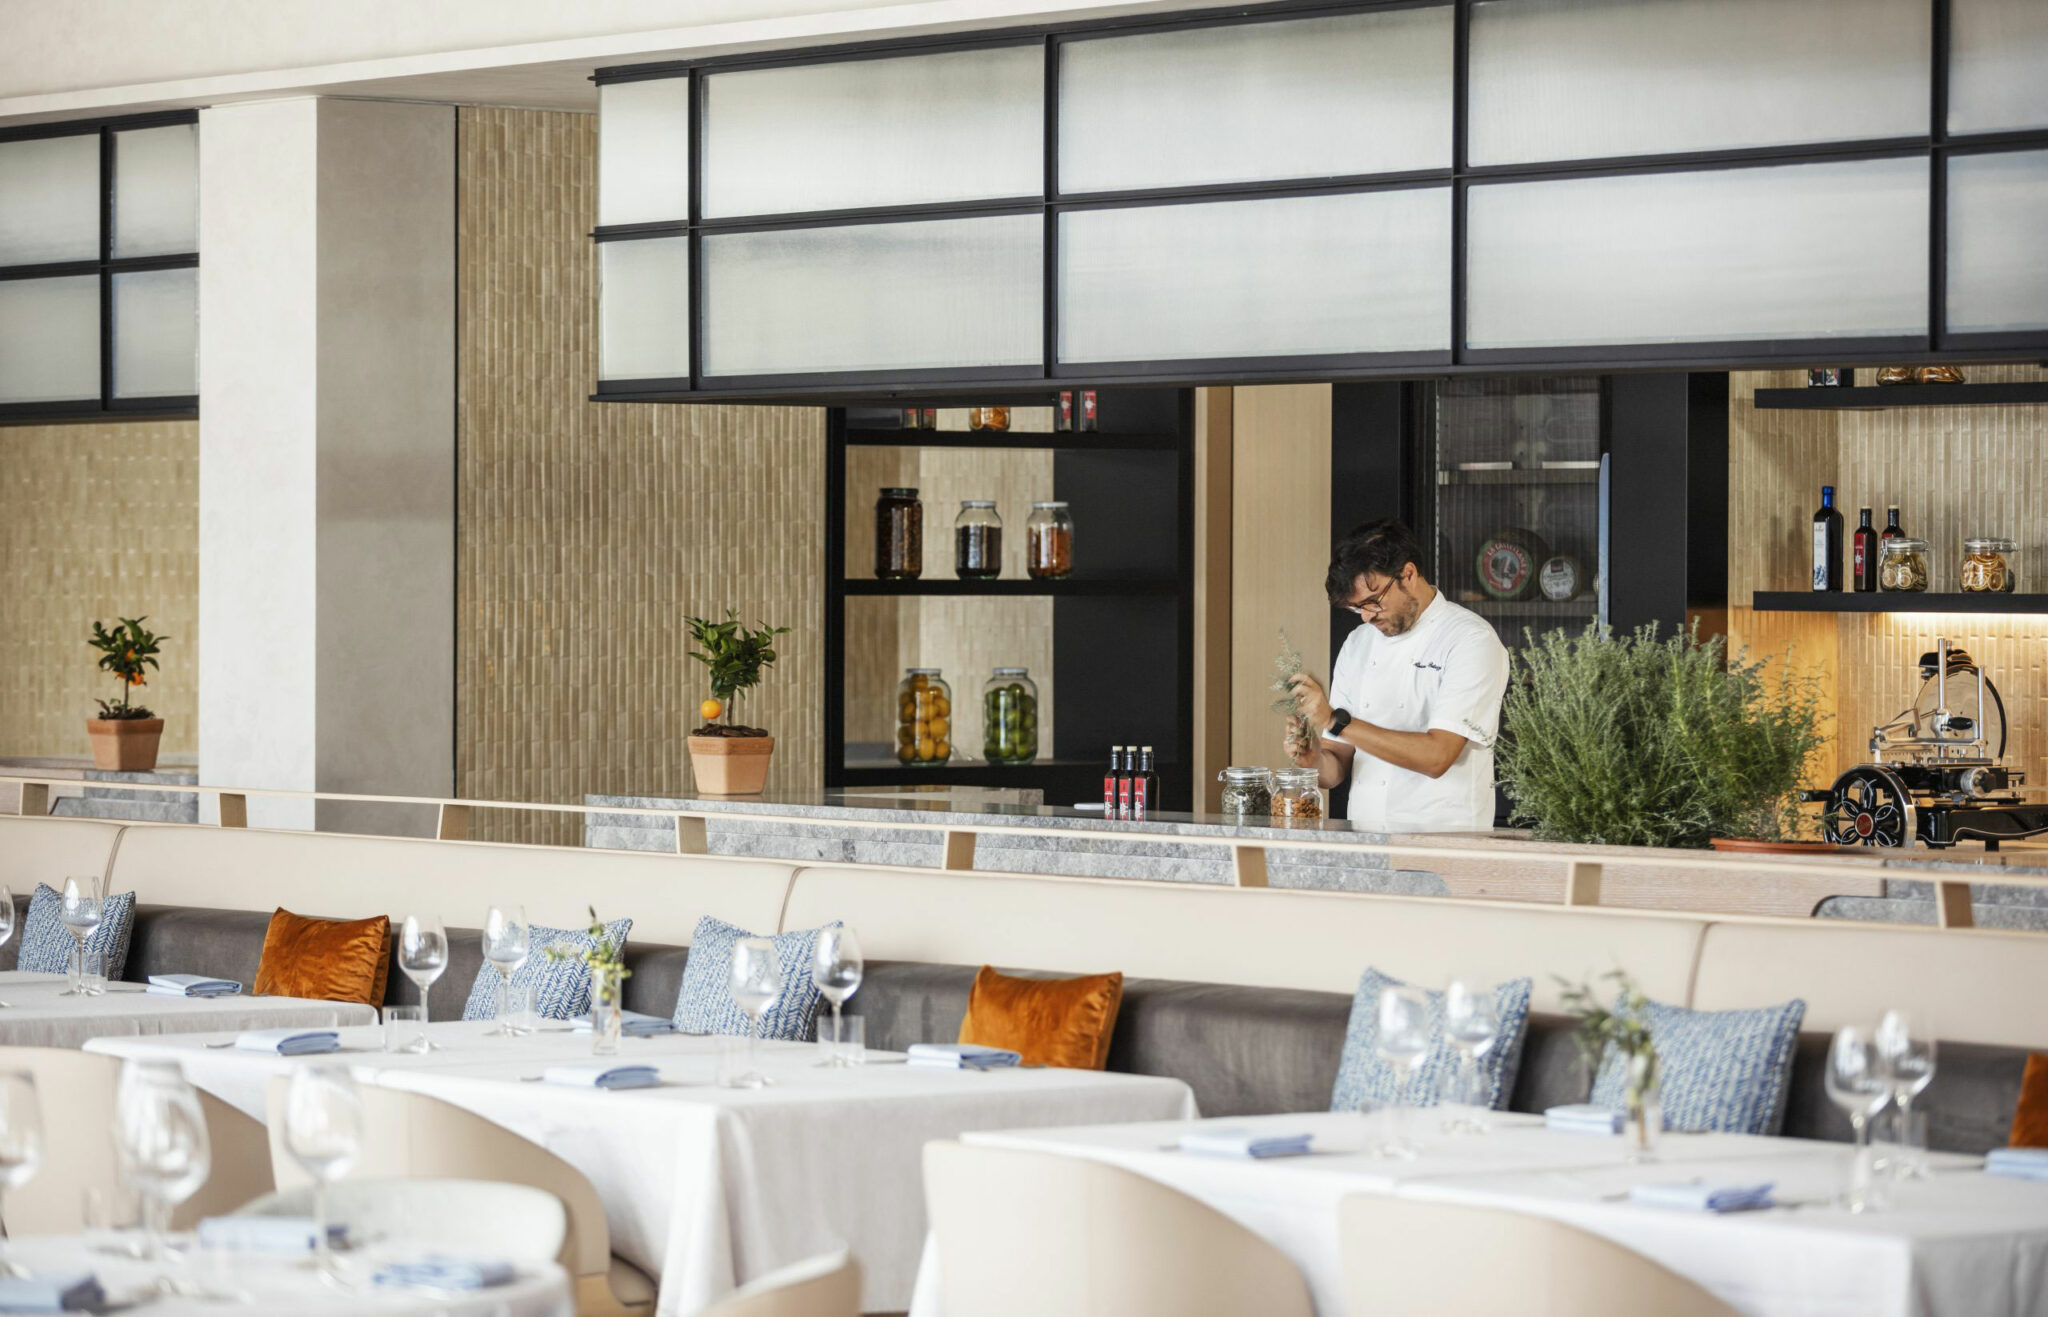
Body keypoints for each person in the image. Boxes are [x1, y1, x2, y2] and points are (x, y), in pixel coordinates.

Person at [1284, 519, 1510, 831]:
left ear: (1408, 574)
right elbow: (1335, 768)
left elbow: (1437, 756)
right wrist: (1312, 758)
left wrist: (1336, 721)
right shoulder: (1358, 644)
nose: (1366, 617)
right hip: (1367, 840)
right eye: (1356, 608)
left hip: (1446, 843)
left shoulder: (1470, 639)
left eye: (1373, 602)